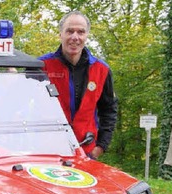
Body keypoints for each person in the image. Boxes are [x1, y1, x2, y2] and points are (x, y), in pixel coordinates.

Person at [39, 10, 118, 159]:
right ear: (60, 34)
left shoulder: (102, 70)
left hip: (87, 151)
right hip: (49, 151)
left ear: (86, 36)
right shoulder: (42, 66)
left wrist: (100, 147)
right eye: (69, 31)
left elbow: (109, 110)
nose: (75, 37)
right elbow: (22, 106)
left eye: (80, 32)